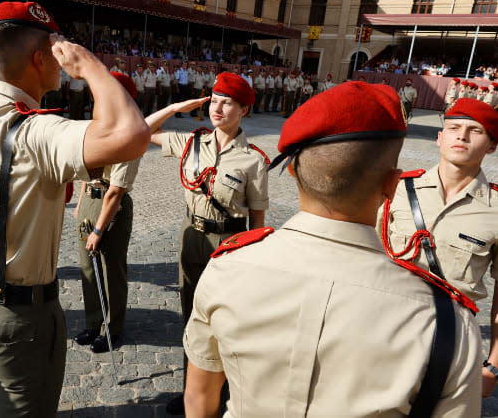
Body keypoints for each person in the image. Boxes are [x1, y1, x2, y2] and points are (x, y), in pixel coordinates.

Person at [184, 81, 481, 417]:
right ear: (391, 185)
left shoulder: (226, 270)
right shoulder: (448, 324)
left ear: (293, 171)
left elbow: (199, 399)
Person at [0, 1, 150, 417]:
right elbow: (131, 133)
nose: (62, 63)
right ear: (41, 58)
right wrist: (90, 65)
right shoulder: (36, 130)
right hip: (21, 318)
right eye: (57, 50)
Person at [145, 73, 269, 415]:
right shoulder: (190, 142)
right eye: (214, 99)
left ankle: (223, 389)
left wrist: (250, 261)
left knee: (223, 321)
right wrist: (175, 106)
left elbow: (257, 220)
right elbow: (139, 132)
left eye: (227, 102)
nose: (218, 107)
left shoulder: (253, 160)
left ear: (243, 109)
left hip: (228, 242)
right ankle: (192, 390)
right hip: (191, 236)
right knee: (190, 317)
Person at [380, 97, 498, 398]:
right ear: (439, 137)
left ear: (492, 146)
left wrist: (493, 366)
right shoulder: (398, 188)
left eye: (476, 130)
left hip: (449, 340)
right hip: (381, 329)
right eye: (454, 127)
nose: (461, 135)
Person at [74, 72, 141, 353]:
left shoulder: (130, 134)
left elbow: (116, 191)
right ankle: (93, 323)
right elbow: (83, 169)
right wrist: (80, 204)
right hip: (90, 199)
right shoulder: (94, 129)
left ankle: (112, 329)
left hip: (111, 207)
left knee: (110, 270)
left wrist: (99, 229)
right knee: (88, 269)